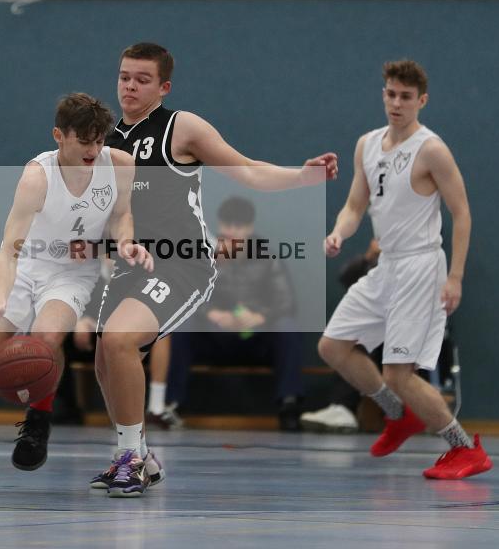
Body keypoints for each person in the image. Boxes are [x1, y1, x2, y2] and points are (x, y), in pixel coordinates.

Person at [91, 42, 338, 497]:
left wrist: (301, 177)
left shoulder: (181, 127)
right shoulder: (107, 139)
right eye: (124, 76)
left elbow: (247, 169)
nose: (130, 85)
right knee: (105, 359)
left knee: (119, 341)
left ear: (163, 87)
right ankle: (140, 456)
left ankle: (129, 458)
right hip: (132, 265)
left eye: (142, 79)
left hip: (181, 262)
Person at [0, 93, 153, 492]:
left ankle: (38, 420)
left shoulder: (120, 165)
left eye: (99, 141)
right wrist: (2, 302)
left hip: (71, 273)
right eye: (84, 141)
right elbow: (8, 250)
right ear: (59, 135)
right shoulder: (36, 176)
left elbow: (122, 214)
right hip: (22, 270)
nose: (93, 150)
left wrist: (124, 242)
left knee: (46, 339)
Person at [317, 60, 492, 479]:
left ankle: (464, 448)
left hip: (421, 266)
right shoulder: (367, 144)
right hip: (387, 266)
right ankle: (399, 416)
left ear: (422, 101)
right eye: (391, 94)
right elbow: (356, 205)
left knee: (399, 373)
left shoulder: (431, 149)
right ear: (383, 94)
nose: (396, 103)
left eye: (406, 97)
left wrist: (456, 277)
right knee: (332, 346)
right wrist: (339, 233)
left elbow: (462, 214)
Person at [166, 196, 305, 431]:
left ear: (250, 228)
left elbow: (286, 301)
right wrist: (213, 314)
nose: (231, 231)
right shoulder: (207, 256)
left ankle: (289, 405)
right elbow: (189, 296)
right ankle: (173, 404)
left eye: (238, 226)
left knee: (288, 326)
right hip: (215, 338)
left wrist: (258, 317)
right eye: (227, 225)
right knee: (182, 324)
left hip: (254, 339)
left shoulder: (268, 258)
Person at [301, 239, 381, 433]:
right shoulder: (380, 265)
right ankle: (343, 407)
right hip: (378, 328)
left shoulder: (422, 259)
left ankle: (398, 413)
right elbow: (346, 277)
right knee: (347, 340)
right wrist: (369, 257)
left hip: (406, 330)